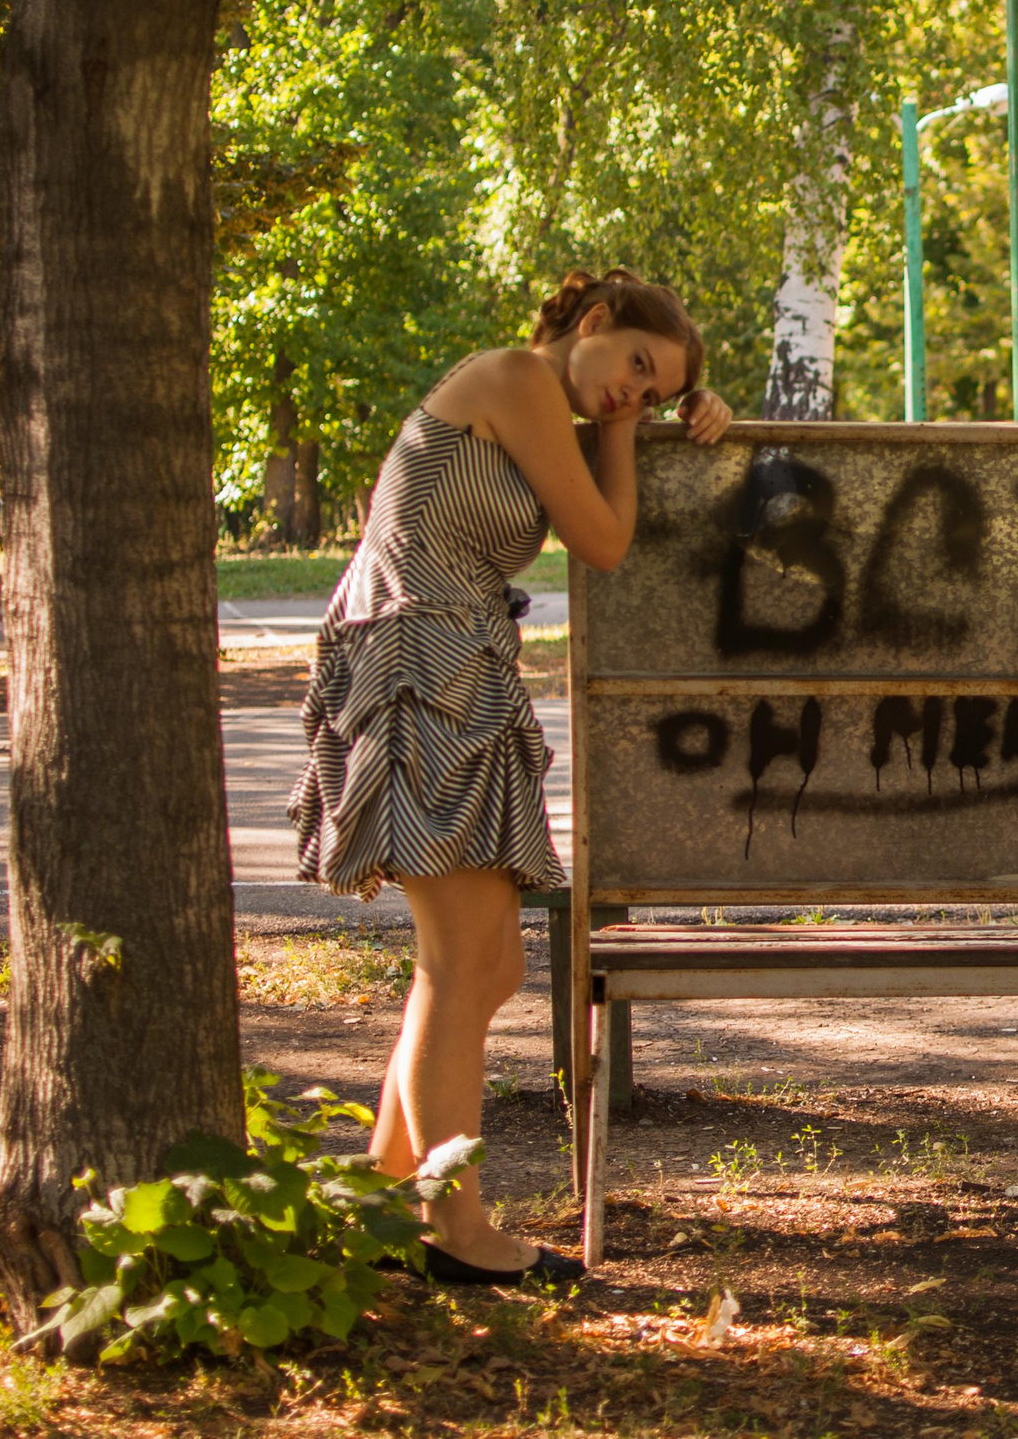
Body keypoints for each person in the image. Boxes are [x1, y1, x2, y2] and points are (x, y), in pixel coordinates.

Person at [289, 269, 733, 1285]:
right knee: (462, 966)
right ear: (589, 323)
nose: (633, 392)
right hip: (418, 663)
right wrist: (631, 425)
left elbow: (598, 521)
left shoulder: (543, 406)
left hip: (459, 665)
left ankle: (385, 1203)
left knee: (484, 969)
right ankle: (454, 1225)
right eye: (633, 363)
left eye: (653, 387)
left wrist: (681, 410)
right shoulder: (516, 380)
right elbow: (606, 539)